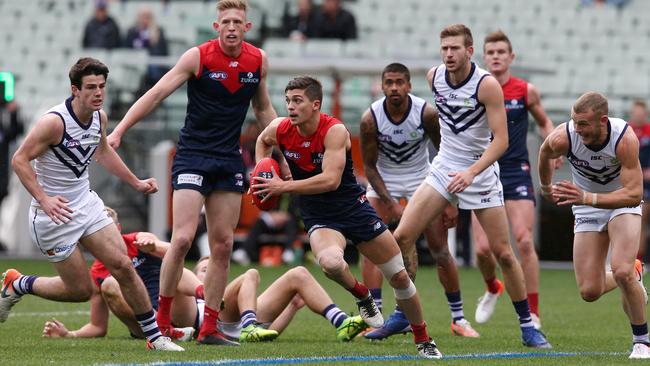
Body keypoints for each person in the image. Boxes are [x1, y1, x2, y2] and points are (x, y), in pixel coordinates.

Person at [107, 0, 279, 346]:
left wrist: (282, 152)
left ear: (247, 28)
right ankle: (163, 321)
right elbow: (156, 94)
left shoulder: (257, 61)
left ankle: (210, 327)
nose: (231, 27)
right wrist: (119, 129)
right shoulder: (198, 56)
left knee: (223, 244)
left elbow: (262, 109)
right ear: (217, 27)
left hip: (229, 159)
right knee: (183, 238)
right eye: (225, 21)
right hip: (192, 156)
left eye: (238, 22)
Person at [252, 75, 441, 359]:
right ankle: (362, 294)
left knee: (399, 277)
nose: (290, 107)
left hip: (353, 209)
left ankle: (423, 338)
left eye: (297, 101)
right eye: (288, 101)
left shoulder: (334, 131)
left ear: (316, 105)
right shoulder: (279, 129)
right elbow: (261, 140)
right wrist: (265, 169)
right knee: (330, 263)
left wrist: (283, 185)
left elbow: (330, 180)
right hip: (318, 214)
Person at [2, 57, 181, 351]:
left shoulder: (100, 118)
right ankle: (18, 284)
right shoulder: (53, 123)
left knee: (124, 265)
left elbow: (104, 152)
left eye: (102, 86)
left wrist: (135, 182)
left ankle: (155, 337)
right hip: (53, 216)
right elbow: (19, 160)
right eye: (91, 87)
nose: (98, 93)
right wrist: (44, 199)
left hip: (85, 204)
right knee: (80, 290)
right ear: (75, 90)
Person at [391, 24, 551, 349]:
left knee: (503, 252)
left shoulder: (487, 85)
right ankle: (402, 313)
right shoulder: (434, 76)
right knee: (401, 237)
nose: (449, 54)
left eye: (455, 49)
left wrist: (471, 172)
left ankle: (528, 325)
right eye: (444, 48)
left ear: (469, 51)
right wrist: (450, 192)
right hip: (444, 169)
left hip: (481, 171)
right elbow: (447, 129)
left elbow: (502, 141)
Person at [358, 63, 479, 340]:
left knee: (440, 249)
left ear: (409, 86)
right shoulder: (370, 119)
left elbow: (446, 153)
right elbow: (370, 167)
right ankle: (374, 316)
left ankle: (459, 318)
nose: (395, 88)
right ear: (382, 86)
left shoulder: (426, 113)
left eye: (400, 82)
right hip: (384, 182)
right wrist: (389, 202)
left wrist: (450, 199)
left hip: (423, 179)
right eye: (389, 82)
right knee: (370, 247)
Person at [538, 91, 649, 359]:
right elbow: (544, 152)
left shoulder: (624, 139)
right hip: (587, 205)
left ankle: (642, 341)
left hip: (621, 202)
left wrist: (589, 197)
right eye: (575, 123)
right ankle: (636, 273)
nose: (578, 130)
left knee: (619, 270)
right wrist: (545, 187)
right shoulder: (564, 137)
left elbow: (635, 193)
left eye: (584, 124)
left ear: (602, 120)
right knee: (589, 291)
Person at [470, 30, 557, 328]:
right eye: (490, 52)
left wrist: (554, 146)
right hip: (482, 171)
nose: (495, 56)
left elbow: (545, 122)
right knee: (482, 250)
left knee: (523, 240)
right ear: (484, 57)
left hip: (515, 170)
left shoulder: (525, 90)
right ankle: (492, 285)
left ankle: (532, 313)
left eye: (501, 52)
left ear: (511, 57)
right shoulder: (475, 88)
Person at [41, 207, 198, 341]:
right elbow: (98, 326)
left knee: (180, 269)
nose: (101, 235)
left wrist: (154, 248)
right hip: (145, 329)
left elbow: (178, 252)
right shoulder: (96, 273)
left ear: (118, 229)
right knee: (110, 284)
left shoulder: (139, 240)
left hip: (180, 311)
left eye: (105, 229)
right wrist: (69, 334)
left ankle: (207, 300)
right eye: (94, 231)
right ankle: (160, 331)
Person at [194, 257, 368, 342]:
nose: (209, 274)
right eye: (204, 270)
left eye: (213, 270)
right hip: (215, 317)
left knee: (298, 273)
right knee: (251, 274)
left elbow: (271, 332)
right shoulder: (189, 295)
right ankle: (249, 326)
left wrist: (292, 306)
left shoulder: (236, 297)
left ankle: (341, 322)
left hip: (239, 319)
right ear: (194, 276)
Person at [124, 7, 170, 92]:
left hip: (153, 66)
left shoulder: (159, 31)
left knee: (153, 71)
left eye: (148, 16)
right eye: (143, 16)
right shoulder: (131, 31)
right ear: (138, 18)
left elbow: (162, 53)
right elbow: (126, 51)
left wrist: (154, 40)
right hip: (135, 65)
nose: (145, 19)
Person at [629, 100, 650, 260]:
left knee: (641, 222)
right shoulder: (625, 130)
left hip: (646, 184)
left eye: (640, 114)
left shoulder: (649, 131)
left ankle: (638, 261)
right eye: (635, 113)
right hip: (629, 182)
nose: (638, 116)